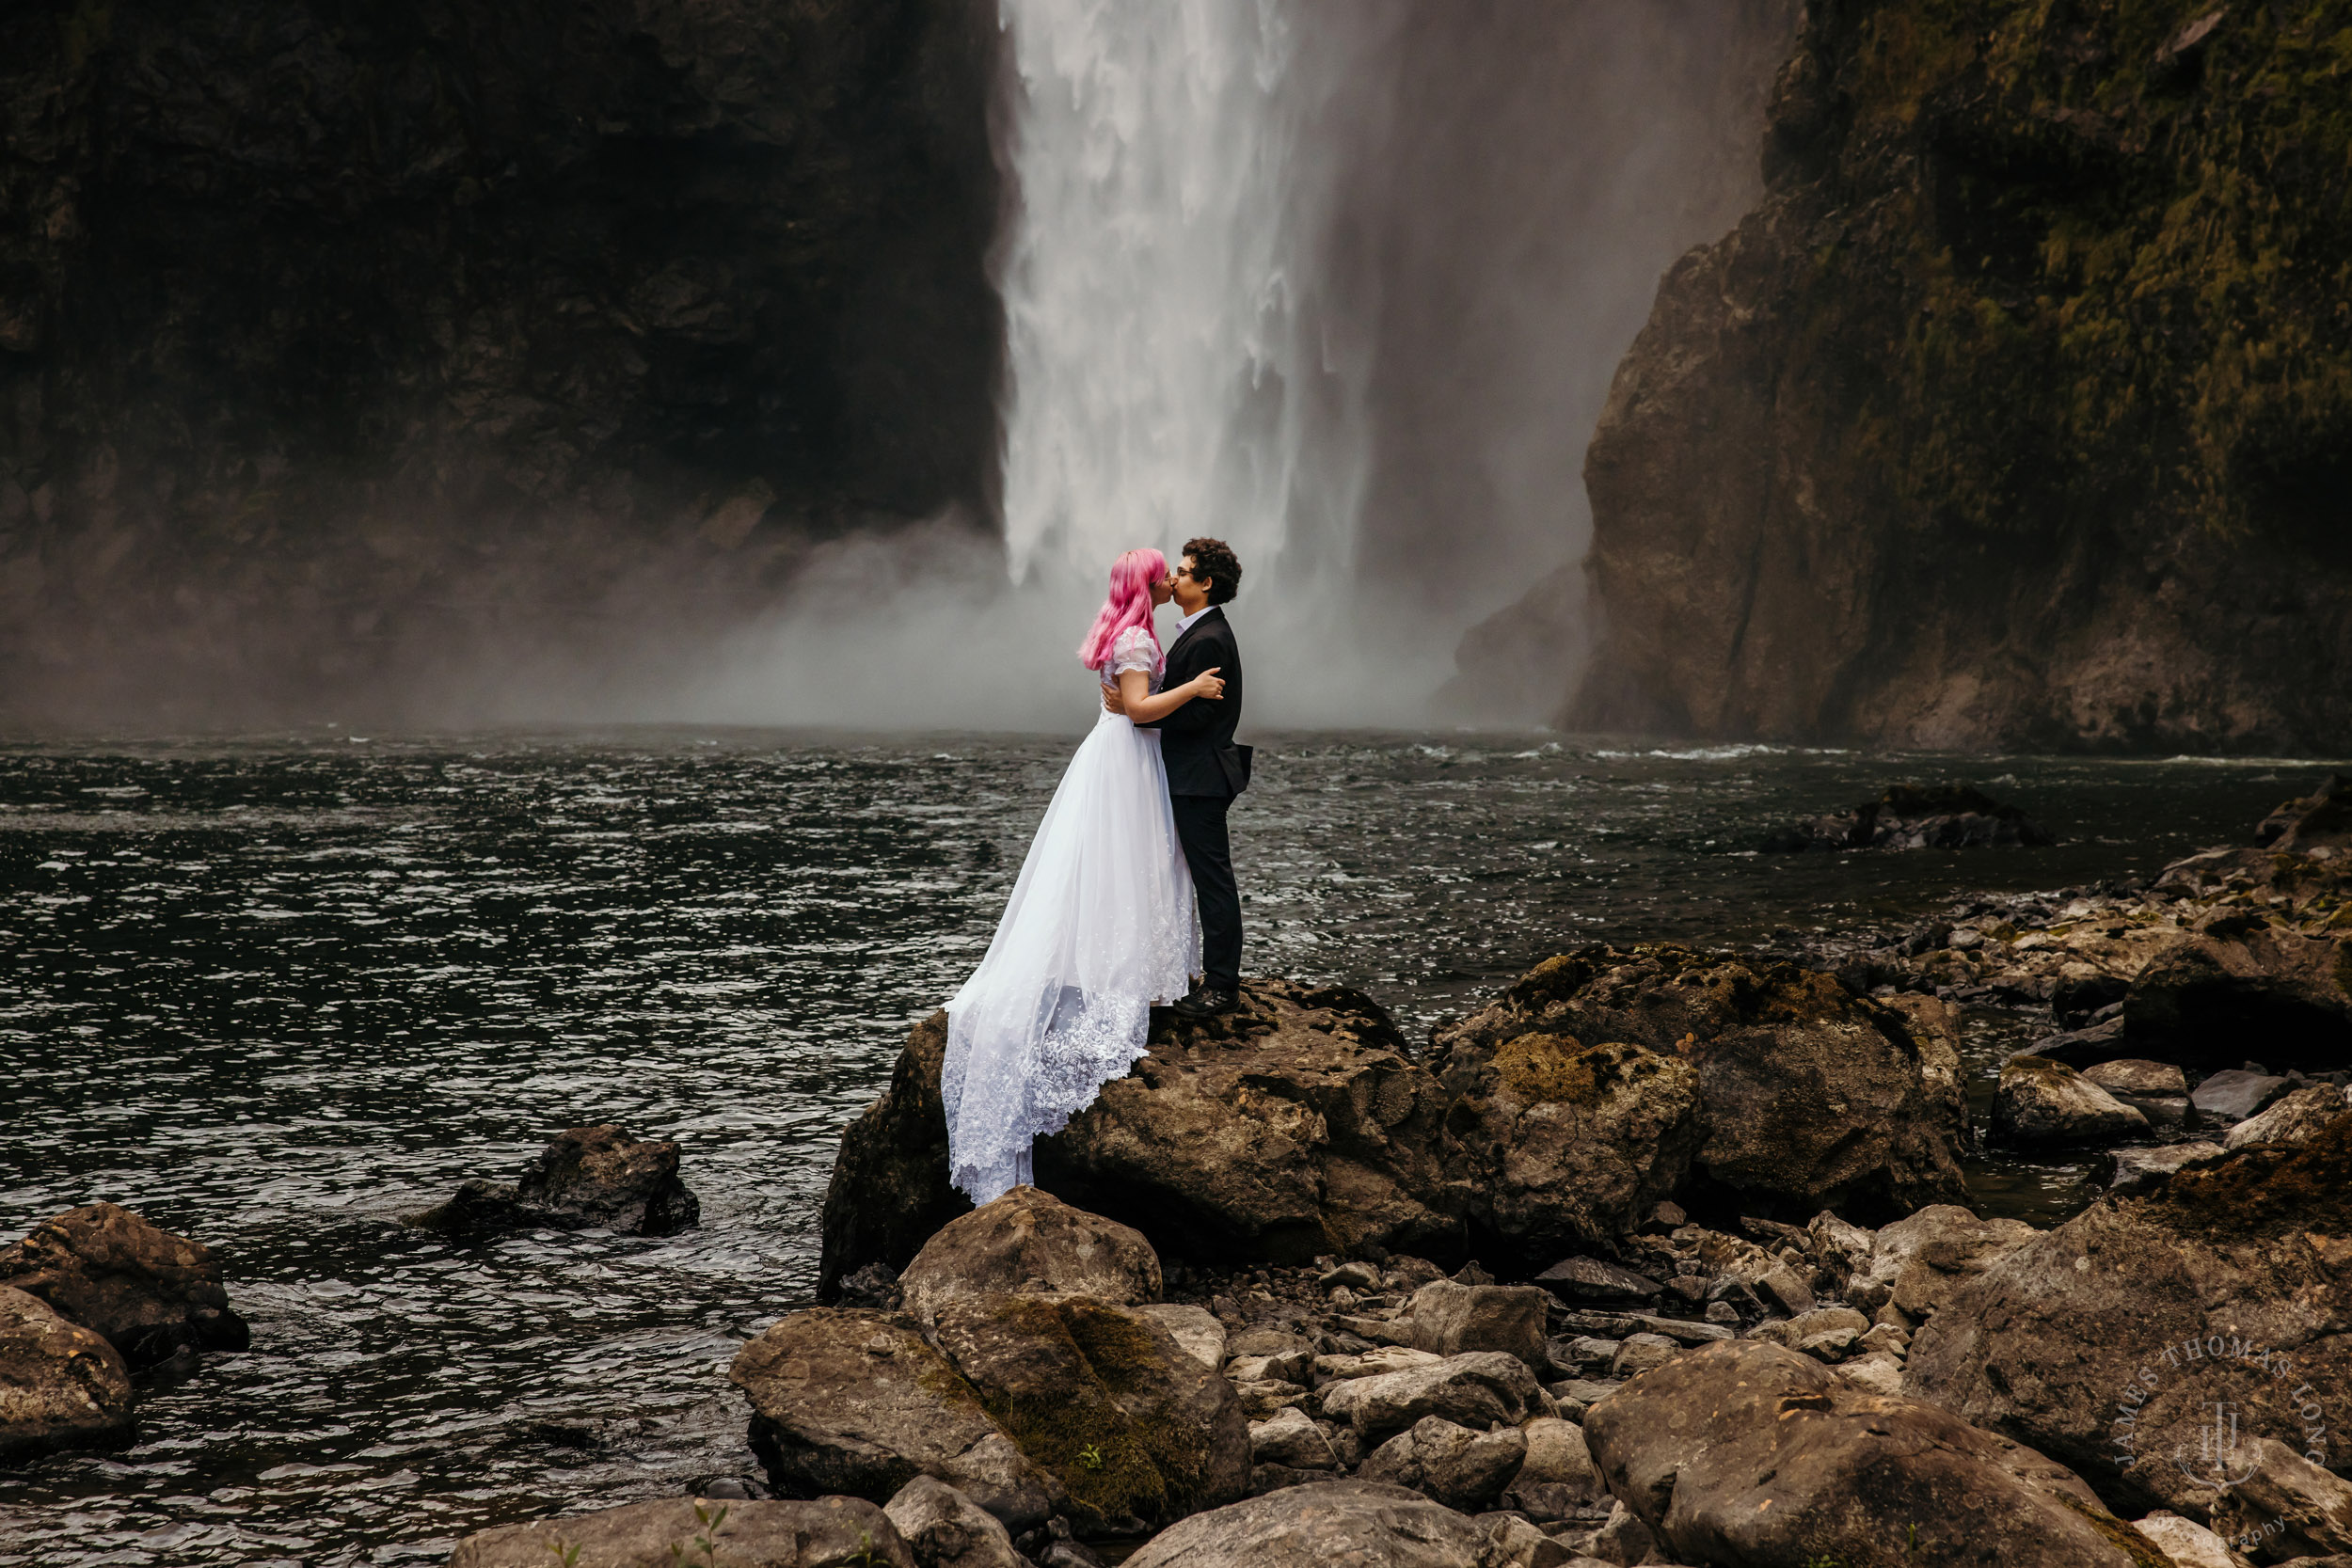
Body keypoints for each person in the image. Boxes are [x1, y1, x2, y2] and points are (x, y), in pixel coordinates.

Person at [938, 546, 1228, 1205]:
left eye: (1171, 571)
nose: (1165, 580)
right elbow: (1139, 709)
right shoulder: (1135, 638)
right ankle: (1130, 972)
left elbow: (1126, 704)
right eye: (1159, 572)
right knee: (1131, 861)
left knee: (1120, 864)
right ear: (1142, 583)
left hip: (1118, 757)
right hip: (1127, 758)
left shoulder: (1125, 631)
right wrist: (1193, 688)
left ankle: (1132, 964)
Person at [1106, 536, 1250, 1018]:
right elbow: (1185, 703)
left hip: (1199, 776)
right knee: (1198, 876)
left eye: (1184, 572)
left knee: (1212, 879)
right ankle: (1199, 974)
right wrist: (1142, 706)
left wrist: (1140, 713)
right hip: (1194, 773)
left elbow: (1199, 718)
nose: (1175, 577)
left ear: (1206, 584)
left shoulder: (1209, 637)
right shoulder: (1198, 631)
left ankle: (1222, 988)